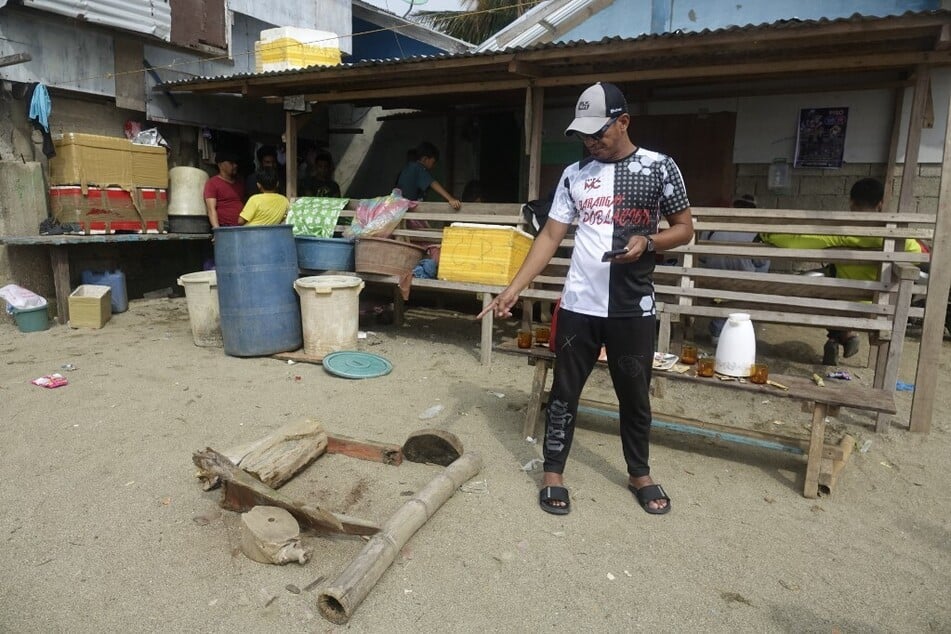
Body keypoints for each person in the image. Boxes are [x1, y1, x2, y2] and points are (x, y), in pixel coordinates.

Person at [479, 82, 693, 516]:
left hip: (633, 307)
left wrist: (648, 242)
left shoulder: (659, 167)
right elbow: (551, 235)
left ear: (624, 121)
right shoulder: (575, 175)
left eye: (599, 132)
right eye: (585, 135)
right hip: (579, 306)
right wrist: (513, 288)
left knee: (634, 394)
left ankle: (640, 473)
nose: (591, 141)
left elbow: (686, 228)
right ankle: (553, 472)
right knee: (564, 391)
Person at [760, 177, 922, 365]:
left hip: (841, 299)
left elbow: (795, 241)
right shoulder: (893, 236)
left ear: (851, 202)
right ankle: (844, 336)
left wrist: (767, 234)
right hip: (879, 303)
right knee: (834, 292)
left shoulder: (843, 230)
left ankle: (840, 336)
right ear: (880, 204)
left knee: (822, 287)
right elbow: (916, 253)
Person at [699, 193, 770, 343]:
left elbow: (702, 257)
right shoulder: (756, 230)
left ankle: (717, 330)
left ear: (732, 207)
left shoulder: (714, 226)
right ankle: (746, 309)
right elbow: (760, 262)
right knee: (764, 262)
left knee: (720, 279)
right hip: (742, 284)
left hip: (712, 282)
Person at [396, 141, 461, 210]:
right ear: (425, 159)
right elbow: (432, 183)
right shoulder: (418, 168)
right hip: (405, 209)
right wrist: (451, 199)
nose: (433, 166)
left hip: (399, 208)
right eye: (433, 162)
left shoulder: (408, 167)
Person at [204, 151, 245, 230]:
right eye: (231, 163)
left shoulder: (239, 182)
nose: (235, 165)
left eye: (235, 163)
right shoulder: (212, 183)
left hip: (241, 227)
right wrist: (217, 230)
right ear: (220, 165)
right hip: (225, 228)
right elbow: (211, 209)